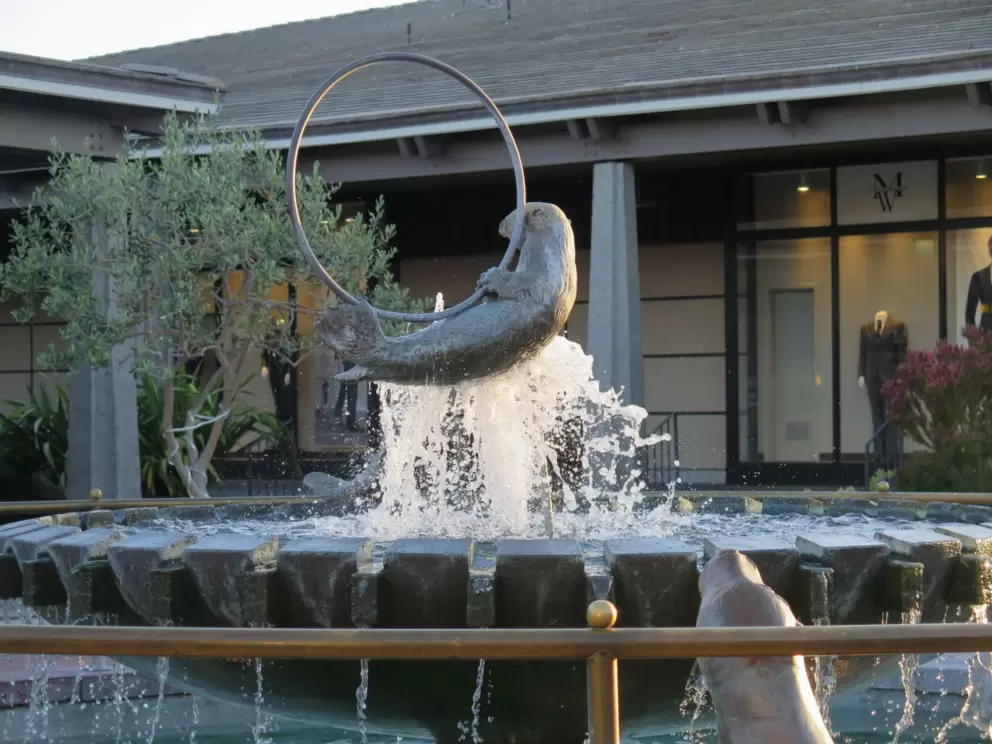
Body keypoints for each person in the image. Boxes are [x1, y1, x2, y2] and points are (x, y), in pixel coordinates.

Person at [964, 233, 992, 332]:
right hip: (986, 335)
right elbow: (970, 311)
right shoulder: (978, 277)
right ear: (990, 250)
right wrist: (973, 338)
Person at [333, 360, 360, 431]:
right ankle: (350, 424)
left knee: (342, 394)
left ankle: (337, 419)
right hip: (351, 363)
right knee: (352, 396)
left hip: (347, 363)